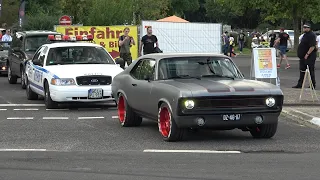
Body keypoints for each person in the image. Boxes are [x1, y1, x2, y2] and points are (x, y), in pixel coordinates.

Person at [293, 23, 317, 89]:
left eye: (306, 27)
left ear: (309, 28)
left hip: (309, 56)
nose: (304, 28)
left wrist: (307, 54)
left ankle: (312, 85)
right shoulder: (305, 35)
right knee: (302, 70)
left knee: (310, 70)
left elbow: (312, 46)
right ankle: (300, 84)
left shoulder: (311, 35)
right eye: (304, 27)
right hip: (302, 56)